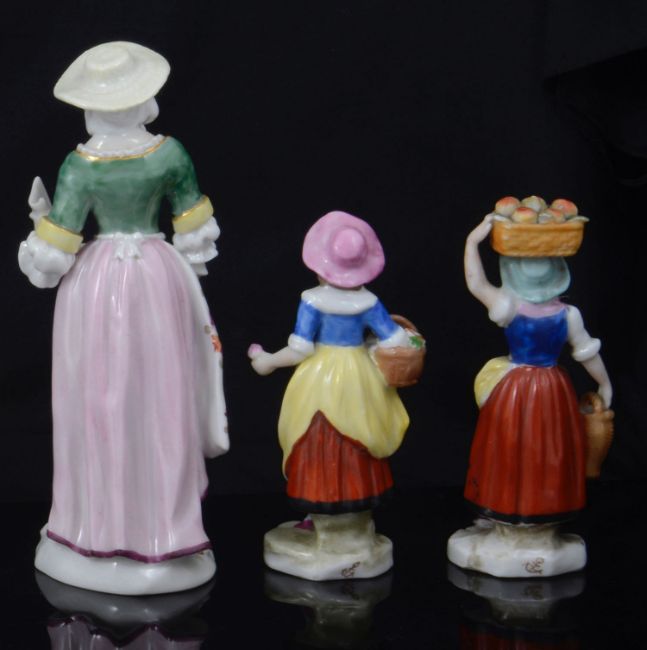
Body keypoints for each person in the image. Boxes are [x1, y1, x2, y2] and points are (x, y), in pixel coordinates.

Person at [18, 42, 228, 595]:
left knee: (100, 400)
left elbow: (54, 254)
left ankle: (97, 525)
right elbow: (195, 233)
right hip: (158, 277)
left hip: (97, 285)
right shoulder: (171, 154)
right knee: (160, 398)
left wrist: (34, 244)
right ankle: (163, 525)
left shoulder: (79, 165)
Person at [249, 211, 414, 581]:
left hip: (321, 376)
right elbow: (397, 339)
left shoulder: (312, 301)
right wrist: (373, 346)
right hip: (359, 377)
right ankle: (352, 517)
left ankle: (326, 514)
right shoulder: (369, 302)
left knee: (314, 434)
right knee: (361, 434)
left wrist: (267, 361)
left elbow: (300, 349)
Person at [447, 213, 612, 578]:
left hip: (515, 389)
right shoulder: (568, 314)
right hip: (552, 389)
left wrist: (473, 240)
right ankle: (529, 522)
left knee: (509, 450)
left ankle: (517, 519)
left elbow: (476, 282)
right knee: (546, 451)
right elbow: (586, 351)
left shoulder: (508, 307)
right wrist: (605, 384)